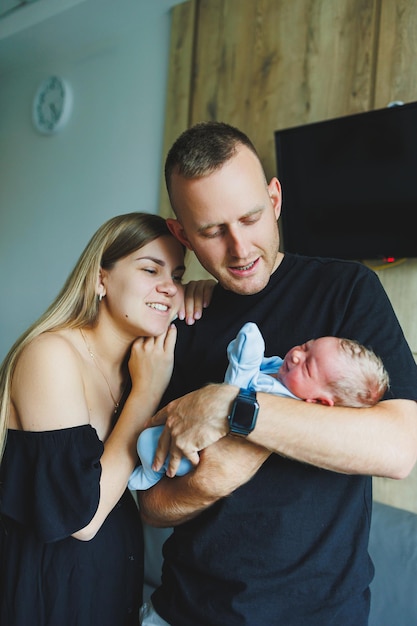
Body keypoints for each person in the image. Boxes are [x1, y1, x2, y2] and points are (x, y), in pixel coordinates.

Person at [137, 121, 417, 626]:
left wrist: (233, 408)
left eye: (250, 217)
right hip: (181, 612)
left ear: (276, 198)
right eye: (212, 231)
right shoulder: (181, 322)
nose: (240, 249)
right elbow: (150, 504)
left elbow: (397, 449)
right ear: (181, 233)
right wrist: (207, 483)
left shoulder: (347, 291)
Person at [0, 211, 214, 626]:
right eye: (150, 269)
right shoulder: (51, 356)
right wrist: (146, 393)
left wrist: (206, 293)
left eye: (178, 274)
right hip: (49, 599)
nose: (168, 287)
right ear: (101, 279)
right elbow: (81, 519)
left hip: (111, 590)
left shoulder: (139, 364)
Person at [129, 321, 389, 490]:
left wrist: (246, 359)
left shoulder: (284, 401)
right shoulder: (281, 369)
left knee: (147, 443)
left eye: (307, 366)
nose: (297, 354)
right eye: (306, 347)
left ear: (318, 402)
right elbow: (253, 363)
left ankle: (151, 475)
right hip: (187, 419)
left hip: (204, 450)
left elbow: (236, 391)